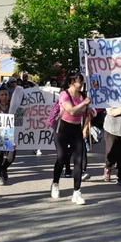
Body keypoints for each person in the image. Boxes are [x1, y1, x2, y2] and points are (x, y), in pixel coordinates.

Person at [51, 74, 91, 205]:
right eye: (80, 81)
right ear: (72, 82)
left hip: (76, 129)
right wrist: (84, 104)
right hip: (62, 129)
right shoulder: (64, 94)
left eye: (82, 81)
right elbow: (71, 111)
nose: (82, 84)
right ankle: (55, 183)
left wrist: (88, 111)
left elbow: (84, 113)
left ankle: (77, 192)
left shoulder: (82, 95)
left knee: (78, 160)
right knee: (61, 158)